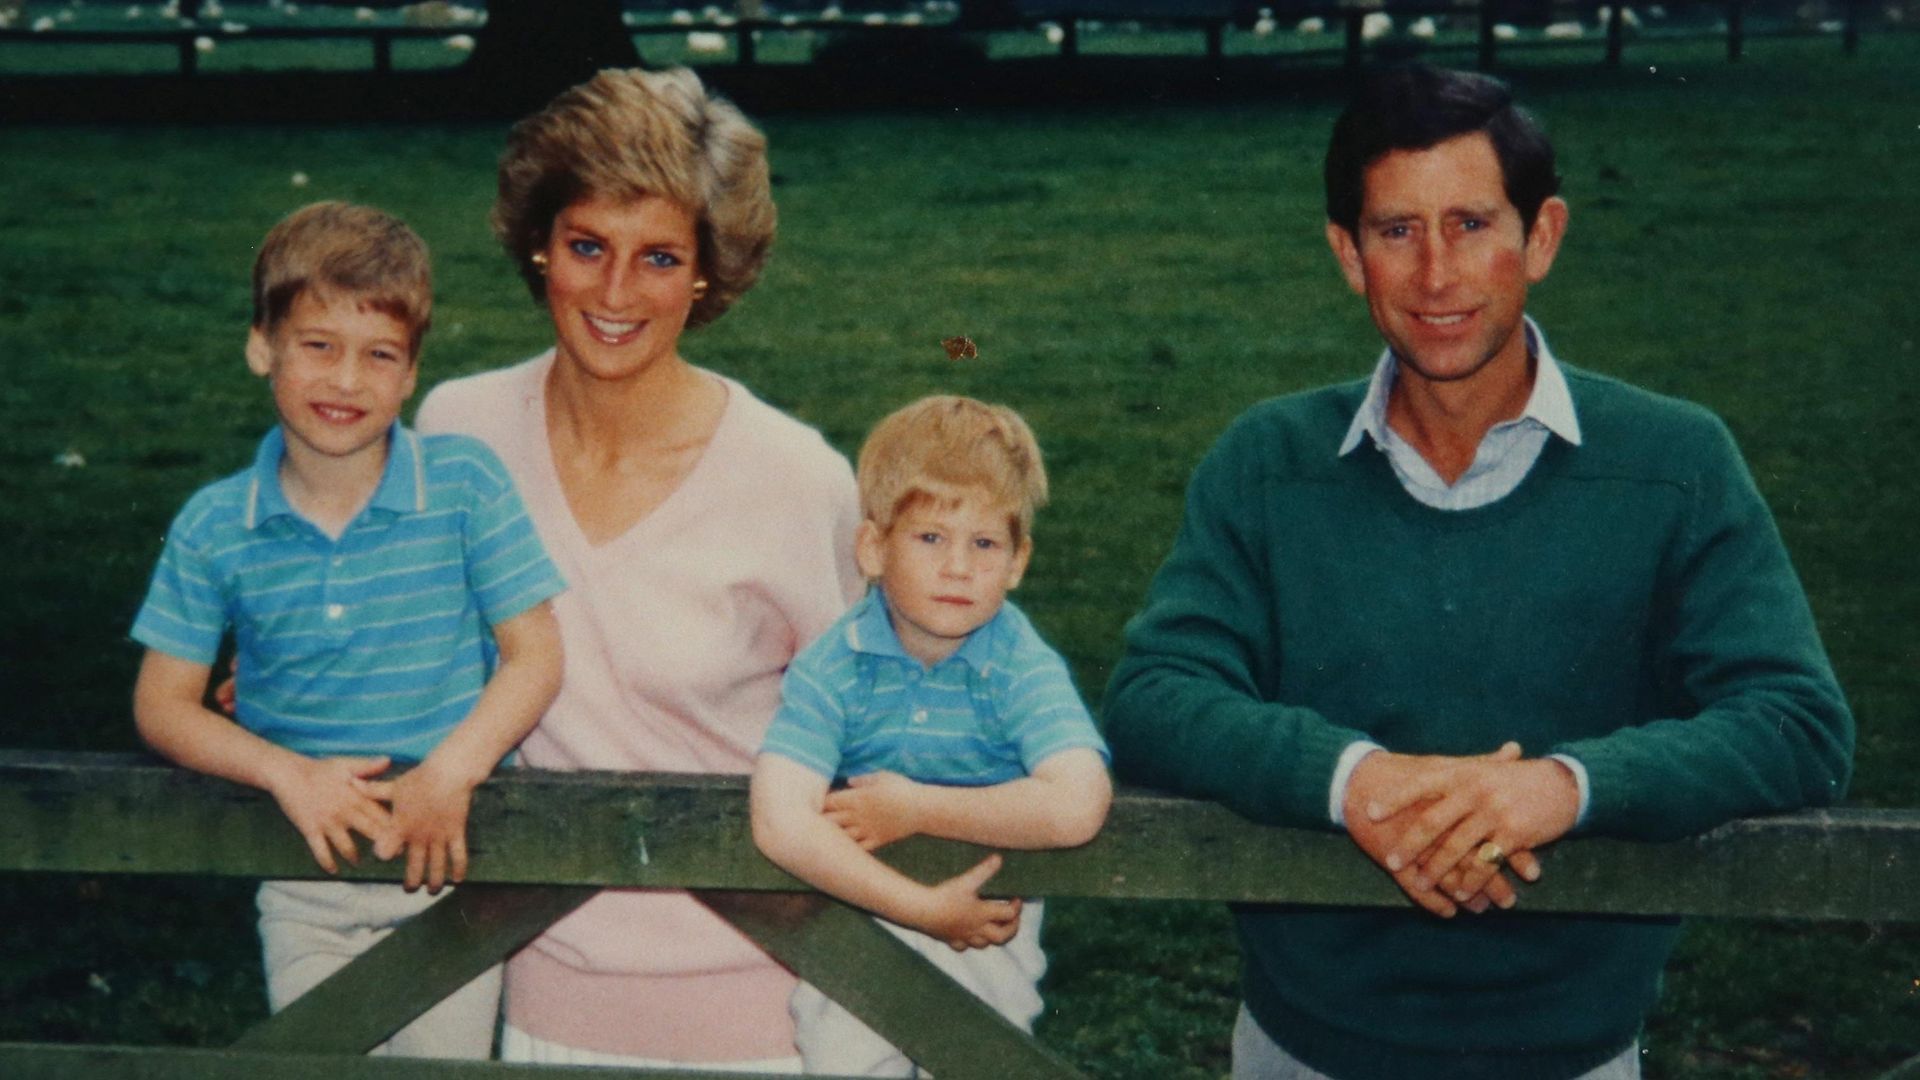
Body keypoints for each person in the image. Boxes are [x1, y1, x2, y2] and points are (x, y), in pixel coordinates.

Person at [1101, 65, 1854, 1080]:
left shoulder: (1674, 462)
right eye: (1395, 231)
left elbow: (1796, 721)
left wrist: (1565, 787)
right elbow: (1154, 694)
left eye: (1470, 224)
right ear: (1346, 255)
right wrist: (1353, 780)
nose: (1436, 276)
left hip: (1571, 1052)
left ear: (1540, 237)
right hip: (1305, 1045)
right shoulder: (1267, 462)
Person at [413, 67, 864, 1071]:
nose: (615, 294)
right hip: (536, 996)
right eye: (587, 247)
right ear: (540, 246)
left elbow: (881, 730)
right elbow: (418, 657)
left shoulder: (793, 477)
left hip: (763, 1014)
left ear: (708, 271)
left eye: (658, 256)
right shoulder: (457, 433)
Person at [130, 200, 566, 1058]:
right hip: (304, 877)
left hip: (449, 871)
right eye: (318, 345)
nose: (346, 380)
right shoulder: (217, 524)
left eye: (379, 356)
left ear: (410, 376)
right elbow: (162, 705)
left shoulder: (464, 486)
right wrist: (283, 773)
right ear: (263, 346)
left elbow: (537, 653)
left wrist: (453, 768)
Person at [751, 395, 1113, 1077]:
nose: (958, 567)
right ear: (873, 547)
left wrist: (917, 808)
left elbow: (1079, 803)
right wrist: (921, 909)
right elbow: (778, 821)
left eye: (984, 543)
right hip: (856, 925)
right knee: (846, 1060)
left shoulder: (1017, 663)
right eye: (930, 538)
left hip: (986, 936)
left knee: (983, 1059)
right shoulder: (837, 664)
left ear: (1017, 561)